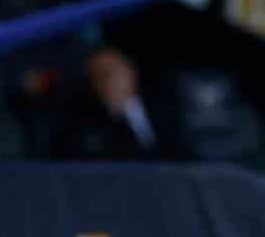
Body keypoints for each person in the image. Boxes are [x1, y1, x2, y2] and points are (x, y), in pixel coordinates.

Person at [52, 47, 182, 161]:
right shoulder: (84, 127)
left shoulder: (167, 108)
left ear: (131, 71)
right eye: (98, 76)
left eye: (112, 71)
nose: (108, 80)